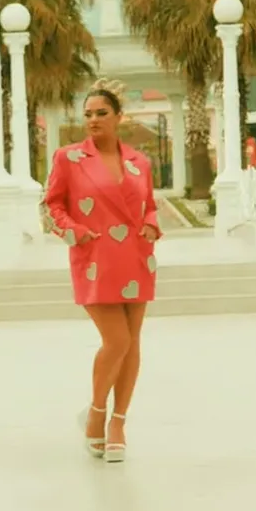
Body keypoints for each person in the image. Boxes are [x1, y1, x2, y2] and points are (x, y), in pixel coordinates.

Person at [41, 79, 161, 463]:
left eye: (101, 113)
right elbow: (51, 206)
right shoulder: (69, 158)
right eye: (88, 114)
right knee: (117, 341)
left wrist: (151, 225)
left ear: (118, 117)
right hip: (95, 259)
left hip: (137, 258)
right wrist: (74, 231)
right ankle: (96, 413)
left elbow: (149, 205)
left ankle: (118, 423)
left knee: (132, 343)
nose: (93, 119)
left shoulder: (139, 162)